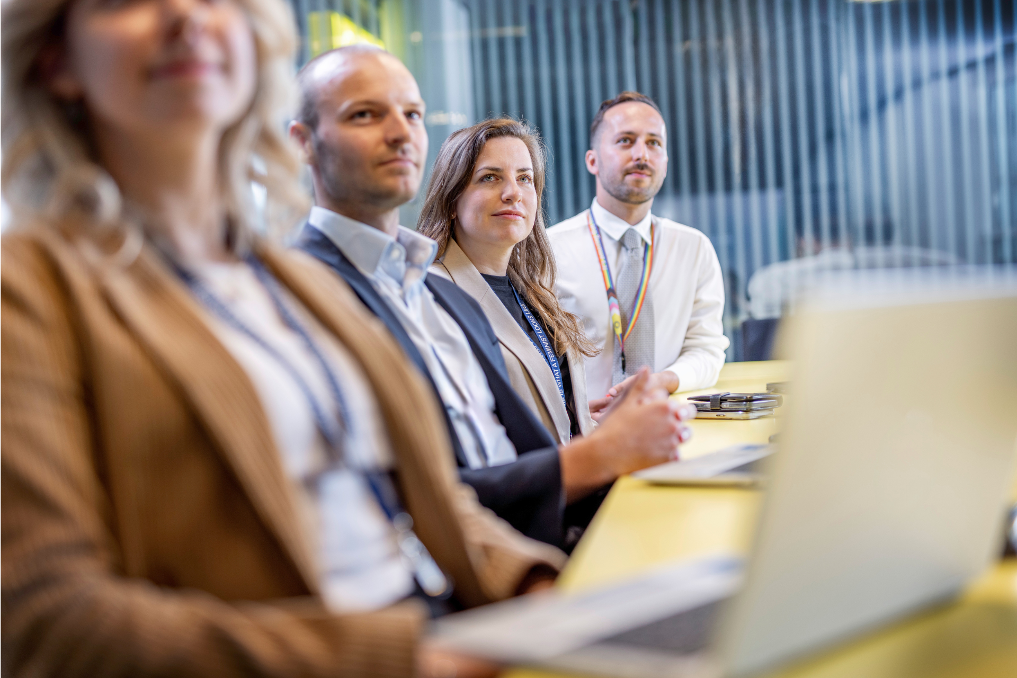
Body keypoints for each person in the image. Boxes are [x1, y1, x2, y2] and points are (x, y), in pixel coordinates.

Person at [0, 1, 565, 677]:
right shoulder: (30, 290)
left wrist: (538, 590)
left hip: (463, 627)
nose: (185, 15)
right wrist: (415, 659)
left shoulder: (291, 281)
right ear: (55, 60)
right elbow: (49, 620)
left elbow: (411, 497)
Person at [289, 48, 695, 551]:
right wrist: (600, 455)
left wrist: (607, 431)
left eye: (412, 114)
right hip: (504, 546)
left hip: (537, 529)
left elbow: (511, 440)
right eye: (365, 114)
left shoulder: (457, 288)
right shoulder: (348, 290)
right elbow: (421, 493)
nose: (513, 193)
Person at [418, 119, 596, 445]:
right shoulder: (431, 295)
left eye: (524, 178)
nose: (513, 193)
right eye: (490, 177)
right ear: (452, 199)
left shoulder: (531, 290)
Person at [548, 91, 730, 409]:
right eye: (625, 141)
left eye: (654, 143)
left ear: (666, 161)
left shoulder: (693, 249)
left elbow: (708, 350)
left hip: (670, 426)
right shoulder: (549, 250)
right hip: (582, 435)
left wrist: (664, 380)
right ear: (592, 160)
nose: (641, 154)